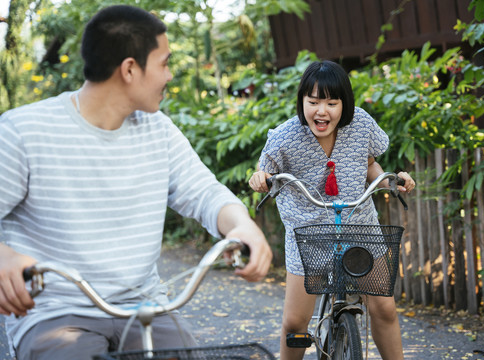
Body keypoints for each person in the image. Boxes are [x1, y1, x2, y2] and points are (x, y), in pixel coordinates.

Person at [0, 5, 272, 360]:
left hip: (145, 309)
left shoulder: (158, 131)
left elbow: (204, 193)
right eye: (164, 63)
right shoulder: (23, 132)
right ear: (130, 69)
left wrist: (242, 225)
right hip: (55, 313)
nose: (170, 75)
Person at [249, 60, 415, 360]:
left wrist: (390, 182)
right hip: (309, 235)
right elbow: (263, 174)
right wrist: (260, 179)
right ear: (302, 102)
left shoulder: (361, 125)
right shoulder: (285, 137)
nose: (321, 111)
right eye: (312, 102)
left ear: (344, 104)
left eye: (331, 102)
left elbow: (369, 164)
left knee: (385, 308)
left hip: (359, 227)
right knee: (295, 322)